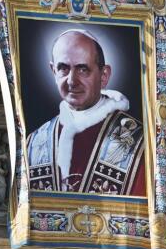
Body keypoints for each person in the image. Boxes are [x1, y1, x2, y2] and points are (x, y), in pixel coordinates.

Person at [26, 29, 145, 196]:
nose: (72, 81)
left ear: (104, 75)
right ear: (53, 71)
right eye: (63, 69)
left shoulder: (139, 141)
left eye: (82, 69)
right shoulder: (34, 142)